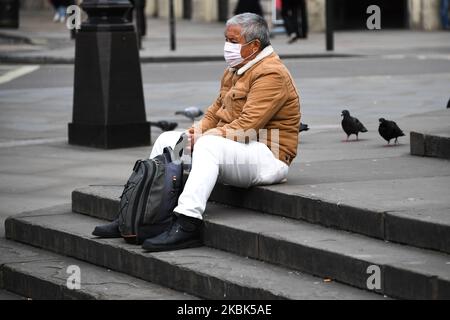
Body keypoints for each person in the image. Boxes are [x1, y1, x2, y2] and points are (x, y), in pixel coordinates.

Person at [94, 13, 301, 252]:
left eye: (233, 41)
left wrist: (203, 139)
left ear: (254, 46)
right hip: (239, 148)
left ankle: (187, 223)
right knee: (168, 139)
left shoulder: (271, 73)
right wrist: (191, 135)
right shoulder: (236, 69)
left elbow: (246, 127)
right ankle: (138, 214)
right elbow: (214, 113)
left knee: (207, 146)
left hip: (269, 155)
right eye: (226, 39)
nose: (227, 46)